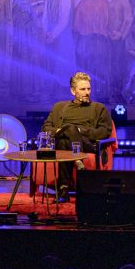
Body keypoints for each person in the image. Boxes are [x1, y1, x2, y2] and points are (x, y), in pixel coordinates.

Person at [40, 72, 113, 203]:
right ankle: (74, 167)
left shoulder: (99, 108)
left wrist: (80, 131)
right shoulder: (60, 107)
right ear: (73, 91)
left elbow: (105, 132)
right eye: (83, 89)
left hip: (88, 145)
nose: (87, 92)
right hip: (64, 142)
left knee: (69, 132)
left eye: (89, 89)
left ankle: (63, 189)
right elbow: (45, 128)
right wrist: (63, 131)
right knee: (64, 140)